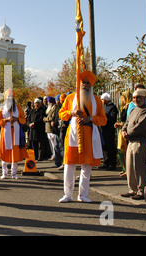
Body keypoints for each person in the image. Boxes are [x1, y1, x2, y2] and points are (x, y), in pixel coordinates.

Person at [58, 71, 107, 203]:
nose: (85, 85)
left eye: (87, 83)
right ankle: (67, 194)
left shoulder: (97, 100)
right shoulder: (70, 98)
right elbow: (61, 113)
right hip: (73, 134)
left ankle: (83, 194)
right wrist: (72, 112)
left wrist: (89, 118)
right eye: (83, 82)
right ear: (79, 83)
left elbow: (103, 119)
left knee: (86, 166)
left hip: (89, 135)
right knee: (69, 165)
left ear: (91, 85)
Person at [120, 88, 146, 200]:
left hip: (140, 142)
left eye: (138, 97)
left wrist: (128, 133)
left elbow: (140, 126)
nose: (136, 99)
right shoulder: (134, 110)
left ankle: (141, 190)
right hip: (130, 141)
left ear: (144, 98)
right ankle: (132, 189)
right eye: (134, 97)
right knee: (129, 167)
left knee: (139, 167)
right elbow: (127, 122)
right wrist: (123, 131)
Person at [0, 89, 28, 179]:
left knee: (15, 153)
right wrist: (6, 120)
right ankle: (4, 173)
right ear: (5, 98)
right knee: (5, 152)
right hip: (5, 133)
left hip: (15, 133)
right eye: (8, 96)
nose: (10, 98)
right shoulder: (1, 108)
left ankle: (14, 173)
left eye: (11, 96)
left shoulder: (18, 108)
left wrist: (17, 119)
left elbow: (24, 119)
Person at [114, 91, 132, 177]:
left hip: (125, 130)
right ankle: (124, 168)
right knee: (121, 150)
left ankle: (128, 169)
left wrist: (121, 124)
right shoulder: (123, 107)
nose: (121, 100)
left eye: (123, 97)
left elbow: (129, 120)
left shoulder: (130, 107)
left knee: (124, 149)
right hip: (122, 129)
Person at [100, 93, 119, 171]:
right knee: (105, 147)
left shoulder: (113, 108)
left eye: (102, 99)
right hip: (103, 129)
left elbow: (112, 119)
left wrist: (104, 120)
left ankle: (112, 164)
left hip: (109, 130)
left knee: (110, 146)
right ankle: (106, 162)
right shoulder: (104, 107)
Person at [44, 96, 61, 166]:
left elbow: (53, 117)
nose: (47, 103)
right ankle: (53, 155)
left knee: (55, 144)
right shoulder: (50, 108)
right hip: (48, 128)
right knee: (52, 143)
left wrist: (46, 119)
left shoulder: (56, 108)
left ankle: (56, 157)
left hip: (53, 129)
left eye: (48, 102)